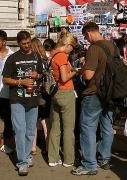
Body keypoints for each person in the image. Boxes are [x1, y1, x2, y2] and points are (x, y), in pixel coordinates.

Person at [71, 22, 115, 176]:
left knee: (87, 128)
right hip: (110, 93)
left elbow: (89, 75)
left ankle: (89, 164)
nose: (86, 40)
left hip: (94, 92)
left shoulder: (94, 48)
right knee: (107, 126)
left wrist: (82, 70)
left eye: (85, 37)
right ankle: (105, 158)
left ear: (88, 33)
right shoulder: (112, 46)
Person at [3, 31, 44, 176]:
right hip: (17, 99)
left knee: (30, 130)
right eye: (23, 44)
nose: (26, 46)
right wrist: (20, 81)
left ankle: (26, 155)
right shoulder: (13, 58)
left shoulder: (36, 56)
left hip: (33, 98)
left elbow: (41, 74)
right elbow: (5, 79)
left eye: (28, 43)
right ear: (19, 43)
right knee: (19, 130)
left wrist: (37, 75)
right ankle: (22, 162)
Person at [48, 33, 79, 167]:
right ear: (67, 45)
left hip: (55, 93)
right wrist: (76, 71)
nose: (72, 49)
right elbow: (65, 77)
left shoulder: (53, 55)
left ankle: (52, 158)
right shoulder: (61, 57)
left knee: (55, 127)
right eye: (72, 46)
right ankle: (68, 159)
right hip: (65, 92)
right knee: (68, 128)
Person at [30, 38, 50, 155]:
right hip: (45, 92)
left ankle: (33, 146)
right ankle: (48, 146)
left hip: (35, 92)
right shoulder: (45, 60)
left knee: (33, 120)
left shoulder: (34, 60)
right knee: (45, 121)